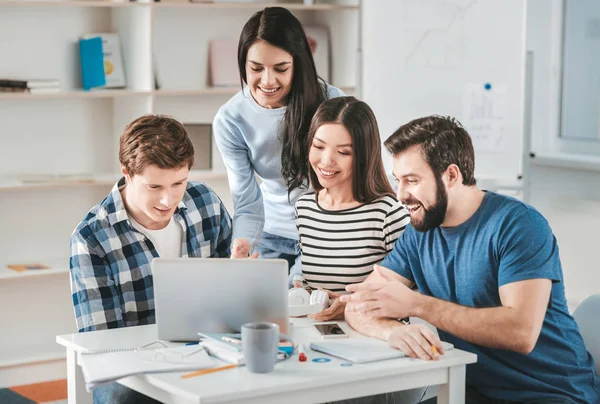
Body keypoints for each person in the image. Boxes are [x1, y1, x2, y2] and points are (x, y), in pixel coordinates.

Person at [341, 115, 600, 403]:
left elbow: (521, 332)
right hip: (473, 392)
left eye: (412, 180)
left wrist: (416, 305)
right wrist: (390, 332)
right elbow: (357, 304)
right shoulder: (421, 230)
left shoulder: (518, 225)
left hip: (551, 393)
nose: (401, 194)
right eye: (398, 180)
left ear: (451, 175)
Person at [70, 115, 232, 403]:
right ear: (127, 172)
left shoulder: (205, 202)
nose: (168, 200)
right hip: (133, 368)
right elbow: (103, 342)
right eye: (154, 187)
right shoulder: (91, 238)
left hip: (207, 350)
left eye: (178, 183)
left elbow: (234, 292)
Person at [213, 6, 345, 275]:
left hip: (325, 232)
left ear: (298, 64)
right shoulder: (230, 119)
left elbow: (352, 179)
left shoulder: (331, 103)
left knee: (300, 303)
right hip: (271, 233)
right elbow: (247, 202)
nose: (268, 80)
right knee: (258, 305)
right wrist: (242, 242)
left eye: (281, 68)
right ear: (243, 65)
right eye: (256, 68)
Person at [296, 96, 410, 321]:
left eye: (343, 152)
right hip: (317, 332)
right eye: (318, 146)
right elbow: (314, 286)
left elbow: (410, 293)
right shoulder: (305, 207)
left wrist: (350, 303)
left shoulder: (388, 212)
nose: (326, 161)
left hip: (372, 335)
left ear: (363, 157)